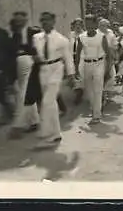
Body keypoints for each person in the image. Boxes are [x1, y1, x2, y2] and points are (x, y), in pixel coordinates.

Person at [32, 12, 75, 148]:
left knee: (47, 101)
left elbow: (68, 58)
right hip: (43, 71)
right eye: (42, 20)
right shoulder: (36, 37)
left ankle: (46, 133)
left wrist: (71, 75)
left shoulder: (61, 39)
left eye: (48, 20)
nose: (45, 23)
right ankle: (56, 133)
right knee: (51, 104)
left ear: (53, 21)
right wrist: (36, 58)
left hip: (56, 69)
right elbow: (35, 53)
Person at [8, 11, 43, 139]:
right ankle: (34, 121)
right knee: (23, 93)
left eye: (21, 20)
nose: (18, 22)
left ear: (25, 20)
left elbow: (39, 47)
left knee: (23, 93)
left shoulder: (32, 32)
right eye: (16, 20)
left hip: (30, 62)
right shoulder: (14, 35)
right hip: (18, 64)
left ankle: (17, 125)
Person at [80, 15, 111, 124]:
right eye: (86, 24)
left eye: (90, 24)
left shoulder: (101, 36)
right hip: (86, 64)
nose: (88, 26)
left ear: (95, 24)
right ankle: (94, 109)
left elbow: (108, 54)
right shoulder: (81, 37)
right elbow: (78, 53)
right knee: (89, 91)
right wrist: (75, 68)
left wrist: (109, 69)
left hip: (99, 63)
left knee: (98, 90)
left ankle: (96, 115)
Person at [99, 18, 118, 106]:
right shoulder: (96, 33)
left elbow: (115, 47)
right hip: (99, 57)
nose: (102, 27)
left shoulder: (111, 35)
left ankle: (106, 95)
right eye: (101, 25)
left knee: (109, 75)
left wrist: (114, 57)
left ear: (107, 26)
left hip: (109, 57)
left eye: (104, 25)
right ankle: (101, 96)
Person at [70, 18, 85, 105]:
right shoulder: (71, 35)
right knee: (73, 76)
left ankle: (79, 93)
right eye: (76, 25)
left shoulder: (84, 35)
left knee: (80, 75)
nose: (78, 26)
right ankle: (78, 91)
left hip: (82, 57)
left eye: (79, 25)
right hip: (72, 57)